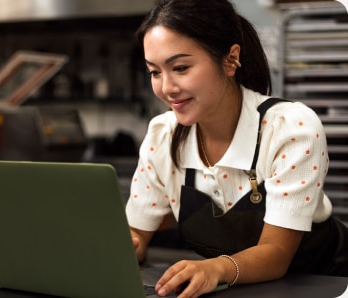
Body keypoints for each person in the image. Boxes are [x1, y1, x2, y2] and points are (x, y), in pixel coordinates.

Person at [125, 0, 348, 297]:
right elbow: (137, 233)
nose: (166, 87)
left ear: (230, 60)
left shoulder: (290, 128)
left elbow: (276, 252)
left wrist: (214, 269)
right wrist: (122, 247)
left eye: (180, 68)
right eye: (155, 72)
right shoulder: (163, 135)